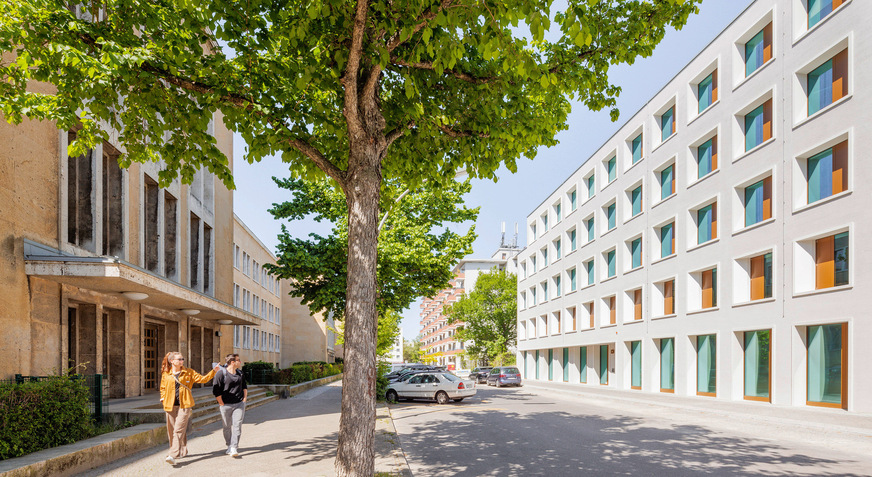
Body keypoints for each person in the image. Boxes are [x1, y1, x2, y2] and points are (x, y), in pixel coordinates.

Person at [159, 352, 219, 465]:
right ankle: (182, 450)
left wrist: (213, 372)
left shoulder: (188, 372)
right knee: (172, 430)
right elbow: (162, 387)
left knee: (178, 429)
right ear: (172, 361)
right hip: (170, 405)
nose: (182, 361)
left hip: (185, 405)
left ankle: (173, 454)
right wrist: (162, 397)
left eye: (183, 359)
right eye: (179, 359)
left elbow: (203, 379)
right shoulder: (166, 373)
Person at [213, 353, 248, 457]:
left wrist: (244, 399)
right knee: (226, 427)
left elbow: (244, 387)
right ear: (233, 362)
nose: (240, 362)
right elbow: (216, 391)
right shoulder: (220, 374)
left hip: (239, 404)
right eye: (238, 360)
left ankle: (234, 447)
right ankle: (229, 445)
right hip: (226, 405)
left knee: (237, 425)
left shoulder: (240, 373)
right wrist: (221, 403)